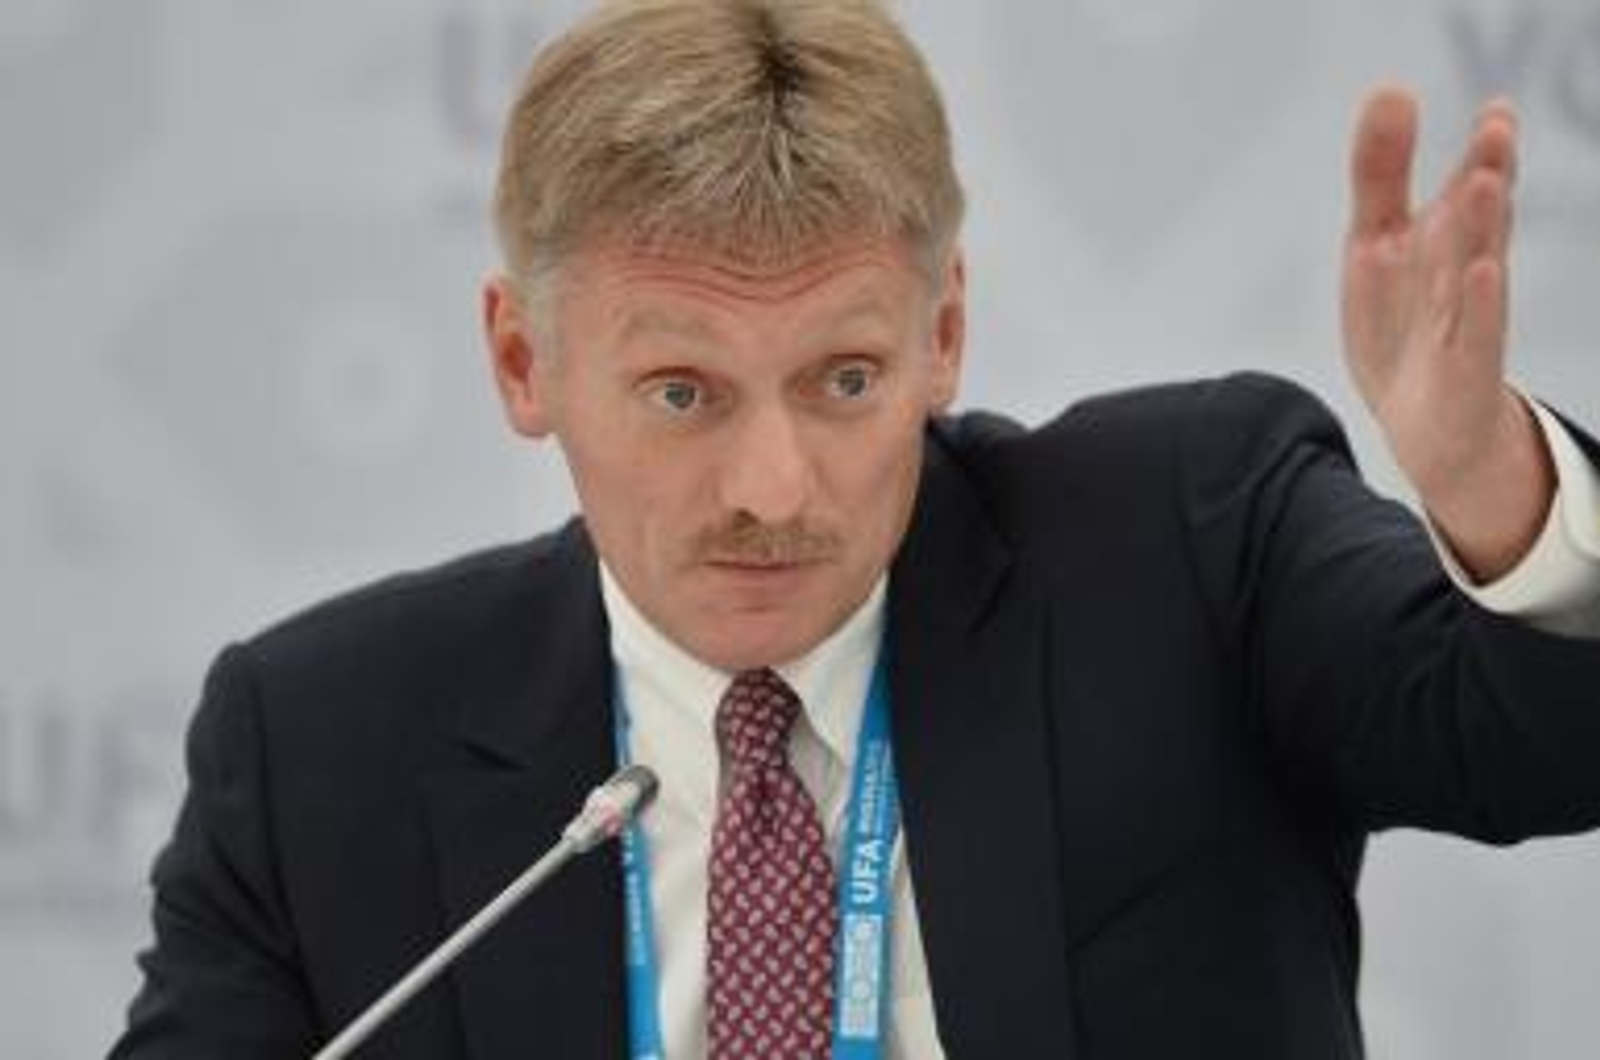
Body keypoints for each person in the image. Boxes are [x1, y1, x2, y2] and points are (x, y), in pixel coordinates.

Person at [111, 1, 1600, 1057]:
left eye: (843, 380)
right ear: (522, 362)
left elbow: (1542, 736)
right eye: (683, 393)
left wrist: (1489, 487)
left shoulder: (1186, 549)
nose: (774, 489)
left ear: (942, 335)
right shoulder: (321, 748)